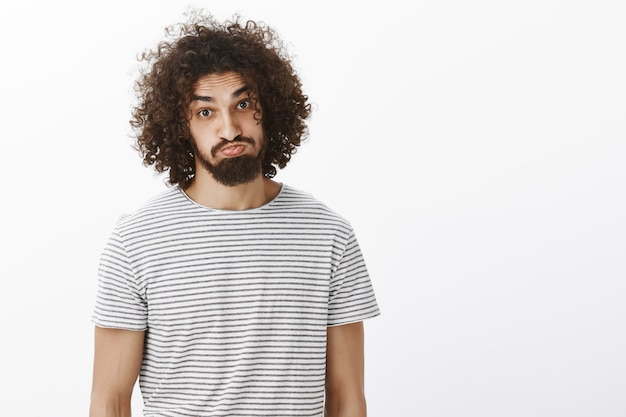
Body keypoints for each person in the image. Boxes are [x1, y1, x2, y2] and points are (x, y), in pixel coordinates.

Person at [89, 10, 380, 417]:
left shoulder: (329, 235)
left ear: (271, 109)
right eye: (206, 111)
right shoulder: (137, 241)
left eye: (243, 104)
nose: (230, 128)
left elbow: (348, 397)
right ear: (181, 126)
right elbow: (109, 400)